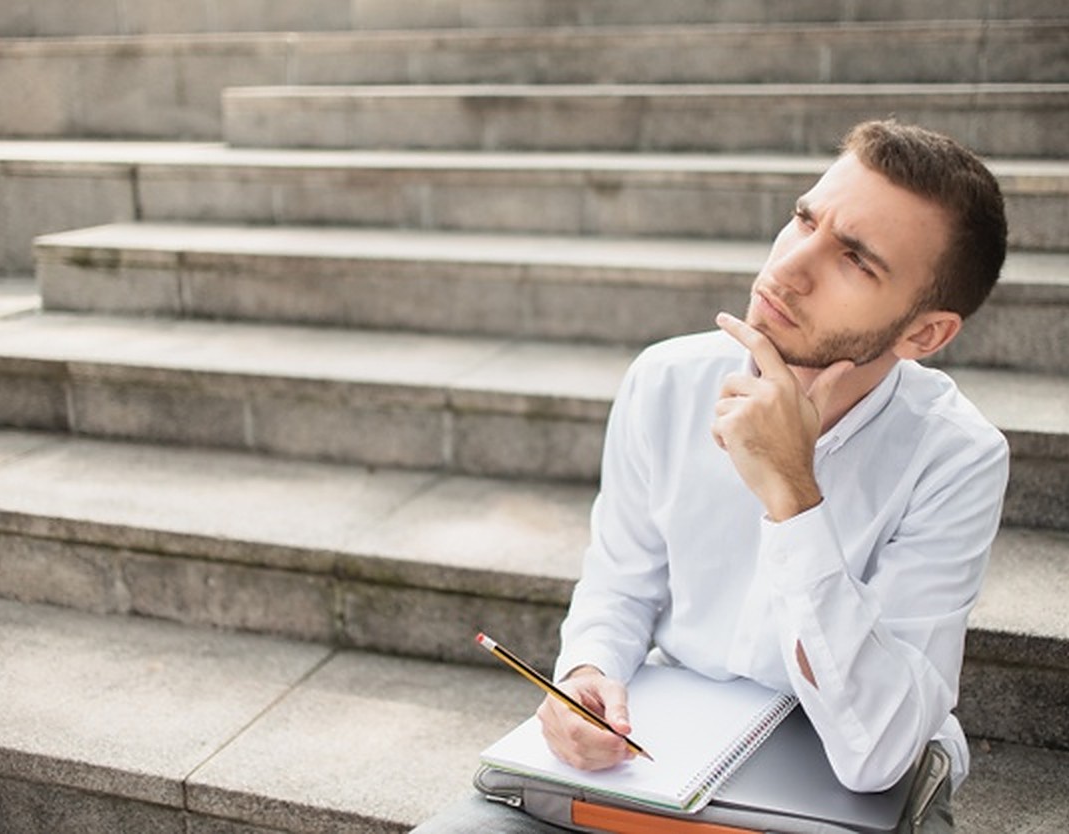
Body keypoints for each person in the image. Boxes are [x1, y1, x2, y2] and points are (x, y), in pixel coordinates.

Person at [413, 119, 1009, 832]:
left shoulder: (957, 455)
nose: (789, 267)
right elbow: (620, 585)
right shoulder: (667, 380)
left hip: (831, 790)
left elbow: (877, 751)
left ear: (924, 335)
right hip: (659, 750)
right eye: (804, 219)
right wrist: (585, 675)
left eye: (855, 259)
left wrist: (794, 495)